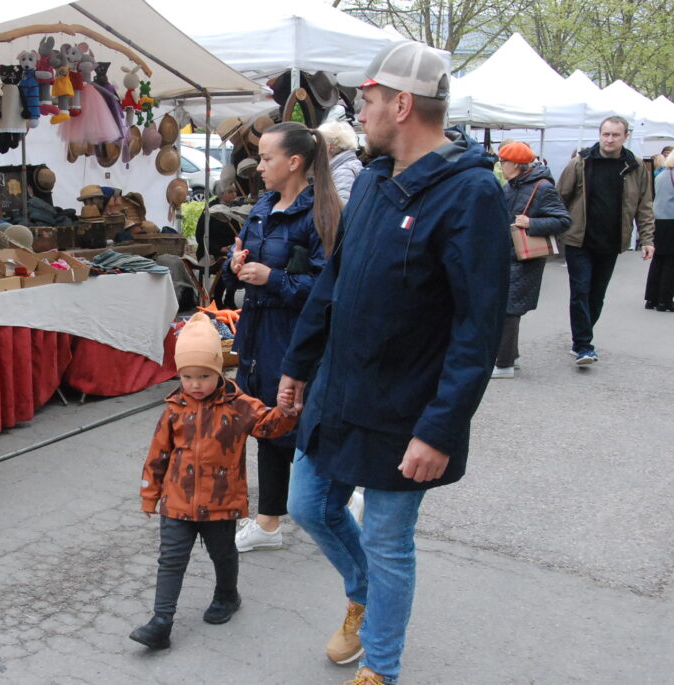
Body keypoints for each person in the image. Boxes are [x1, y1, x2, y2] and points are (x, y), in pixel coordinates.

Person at [278, 41, 510, 685]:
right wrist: (299, 364)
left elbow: (477, 329)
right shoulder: (376, 180)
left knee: (387, 541)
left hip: (407, 408)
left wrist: (441, 429)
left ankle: (381, 666)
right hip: (339, 391)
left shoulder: (472, 194)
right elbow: (333, 282)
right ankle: (365, 594)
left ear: (402, 104)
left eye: (369, 99)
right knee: (308, 505)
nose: (361, 110)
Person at [130, 312, 298, 650]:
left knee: (222, 554)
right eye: (187, 376)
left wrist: (286, 411)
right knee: (170, 559)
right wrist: (150, 495)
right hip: (177, 503)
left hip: (221, 502)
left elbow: (268, 426)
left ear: (219, 371)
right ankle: (161, 621)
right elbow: (158, 455)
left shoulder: (239, 406)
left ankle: (227, 595)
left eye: (204, 376)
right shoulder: (174, 409)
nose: (195, 384)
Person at [222, 121, 340, 553]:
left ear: (293, 162)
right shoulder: (263, 205)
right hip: (256, 332)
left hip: (295, 337)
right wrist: (234, 264)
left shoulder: (322, 214)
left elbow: (329, 288)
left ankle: (329, 502)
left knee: (293, 423)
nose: (259, 166)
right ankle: (270, 522)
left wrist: (272, 278)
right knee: (266, 422)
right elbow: (242, 259)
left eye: (266, 158)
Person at [557, 116, 655, 365]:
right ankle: (584, 345)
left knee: (596, 295)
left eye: (615, 135)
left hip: (611, 241)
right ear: (599, 134)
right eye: (606, 134)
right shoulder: (581, 162)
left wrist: (647, 239)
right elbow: (560, 197)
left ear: (625, 137)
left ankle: (581, 338)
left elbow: (644, 205)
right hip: (579, 239)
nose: (609, 139)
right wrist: (555, 229)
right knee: (580, 290)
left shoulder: (635, 167)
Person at [493, 142, 571, 378]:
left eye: (503, 161)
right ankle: (511, 357)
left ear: (517, 163)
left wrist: (532, 223)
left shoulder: (542, 187)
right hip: (509, 255)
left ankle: (504, 365)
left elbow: (563, 220)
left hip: (525, 258)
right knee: (508, 308)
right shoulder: (513, 185)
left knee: (509, 310)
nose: (500, 165)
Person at [195, 181, 242, 309]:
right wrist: (219, 249)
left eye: (235, 191)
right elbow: (200, 236)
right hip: (210, 252)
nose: (234, 194)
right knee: (225, 263)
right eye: (230, 192)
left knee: (240, 261)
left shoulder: (236, 208)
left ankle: (229, 298)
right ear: (221, 194)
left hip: (230, 250)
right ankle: (217, 298)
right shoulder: (210, 210)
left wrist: (233, 247)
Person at [645, 150, 674, 311]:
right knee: (671, 262)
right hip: (672, 220)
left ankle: (651, 299)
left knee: (658, 259)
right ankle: (665, 300)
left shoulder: (661, 175)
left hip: (658, 220)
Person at [318, 120, 364, 205]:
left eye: (318, 145)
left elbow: (342, 208)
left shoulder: (343, 173)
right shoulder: (345, 166)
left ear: (329, 147)